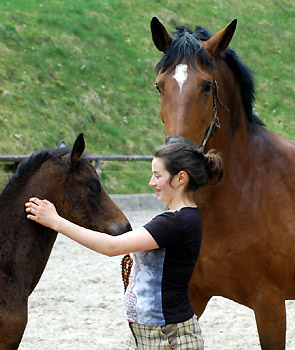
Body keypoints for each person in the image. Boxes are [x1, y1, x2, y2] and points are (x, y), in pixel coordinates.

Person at [25, 142, 223, 350]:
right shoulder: (182, 216)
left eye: (158, 175)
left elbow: (111, 247)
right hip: (150, 331)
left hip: (166, 335)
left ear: (181, 178)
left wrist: (56, 221)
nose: (151, 182)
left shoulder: (174, 223)